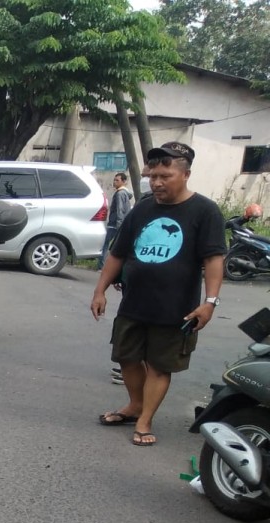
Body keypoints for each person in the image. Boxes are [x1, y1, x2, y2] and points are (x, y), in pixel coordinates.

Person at [91, 141, 227, 447]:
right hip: (134, 302)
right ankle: (134, 404)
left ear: (186, 174)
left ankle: (144, 419)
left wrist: (210, 302)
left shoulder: (204, 211)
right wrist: (100, 290)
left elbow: (213, 259)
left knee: (159, 365)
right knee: (126, 358)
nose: (157, 182)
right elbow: (118, 253)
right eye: (153, 176)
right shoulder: (143, 207)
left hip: (176, 308)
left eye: (165, 175)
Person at [97, 171, 134, 270]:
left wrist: (118, 223)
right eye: (114, 180)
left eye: (117, 180)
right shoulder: (125, 193)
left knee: (105, 244)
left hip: (115, 224)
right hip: (119, 223)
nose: (114, 182)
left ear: (124, 181)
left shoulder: (120, 194)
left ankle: (102, 266)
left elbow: (120, 209)